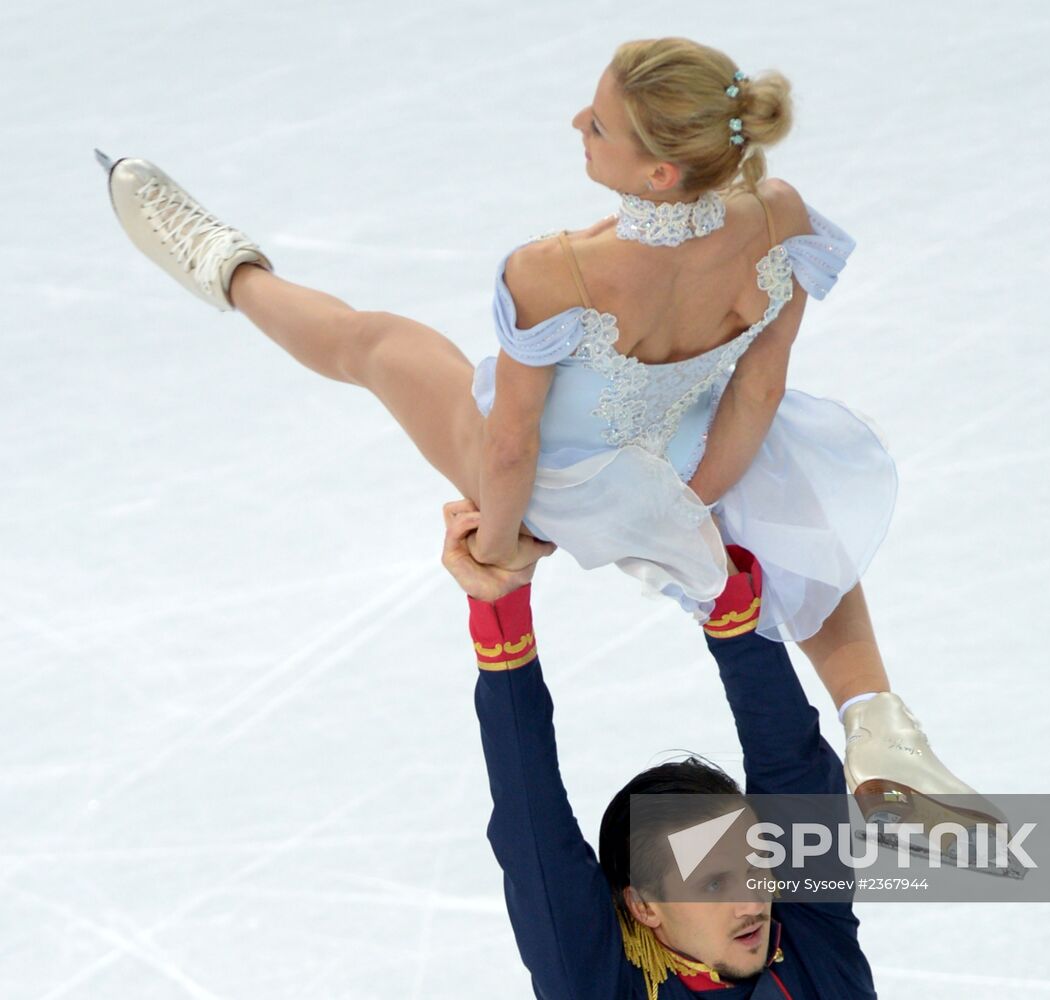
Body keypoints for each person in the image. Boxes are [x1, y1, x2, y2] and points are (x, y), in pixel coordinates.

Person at [96, 36, 1000, 838]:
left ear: (658, 174)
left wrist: (499, 550)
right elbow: (764, 379)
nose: (578, 120)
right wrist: (702, 501)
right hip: (700, 448)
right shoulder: (779, 215)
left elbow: (510, 446)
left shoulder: (557, 270)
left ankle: (225, 264)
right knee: (796, 521)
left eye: (599, 124)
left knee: (377, 345)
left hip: (573, 479)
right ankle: (879, 728)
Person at [439, 497, 877, 999]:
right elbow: (534, 835)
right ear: (644, 905)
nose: (750, 904)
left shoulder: (810, 942)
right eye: (713, 885)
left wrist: (721, 588)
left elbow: (790, 761)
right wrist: (501, 607)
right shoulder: (604, 989)